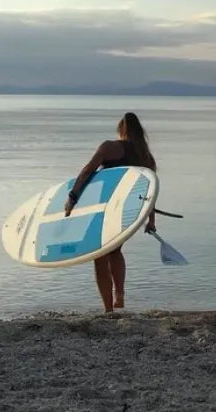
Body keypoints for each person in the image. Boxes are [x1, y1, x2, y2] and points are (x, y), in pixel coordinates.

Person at [64, 112, 157, 313]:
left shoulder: (109, 147)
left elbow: (88, 170)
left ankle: (108, 309)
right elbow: (150, 192)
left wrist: (72, 197)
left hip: (105, 211)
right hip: (130, 212)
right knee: (114, 250)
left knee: (99, 256)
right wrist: (150, 220)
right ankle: (120, 294)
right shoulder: (146, 157)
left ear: (120, 129)